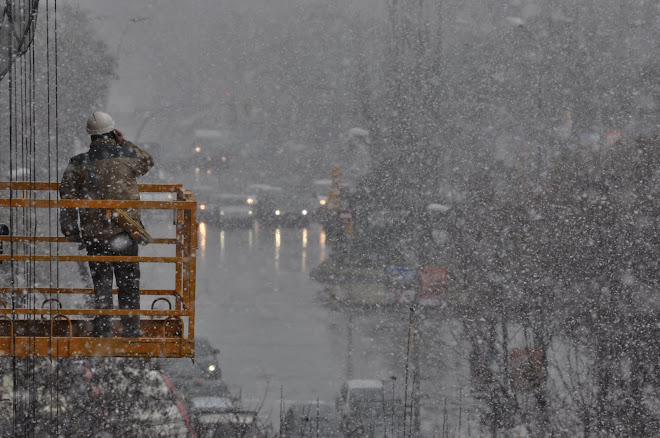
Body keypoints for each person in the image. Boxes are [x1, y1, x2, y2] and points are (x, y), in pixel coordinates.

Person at [59, 111, 154, 337]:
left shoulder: (78, 163)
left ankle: (103, 329)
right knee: (128, 282)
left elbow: (67, 198)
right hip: (126, 231)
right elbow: (148, 161)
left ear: (90, 137)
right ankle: (131, 328)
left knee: (101, 283)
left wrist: (72, 232)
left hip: (96, 235)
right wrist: (125, 142)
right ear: (113, 132)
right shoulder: (129, 156)